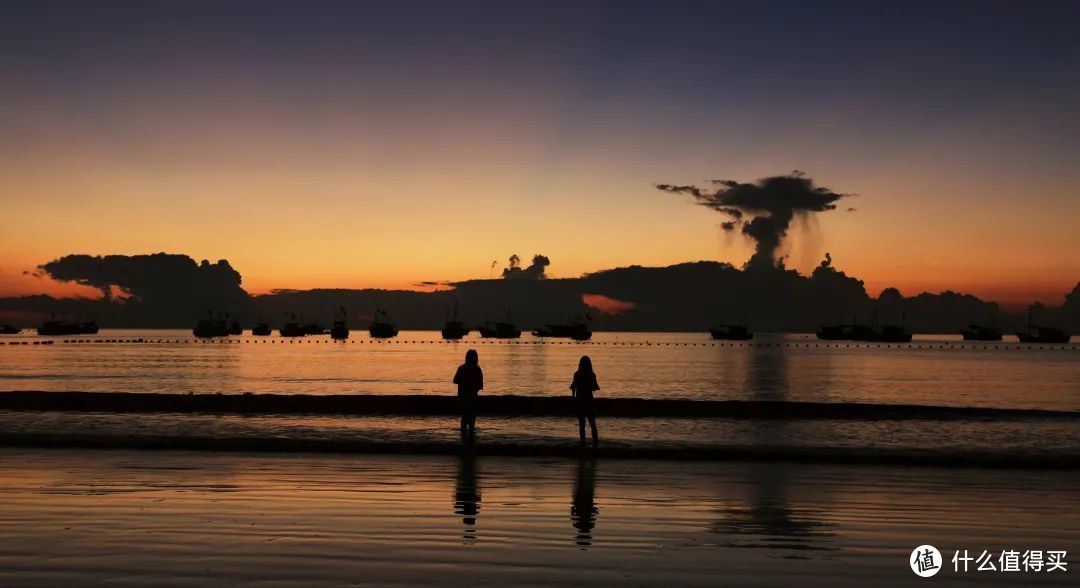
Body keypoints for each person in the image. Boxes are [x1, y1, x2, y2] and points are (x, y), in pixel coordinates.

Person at [453, 349, 483, 438]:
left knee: (464, 417)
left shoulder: (461, 368)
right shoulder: (477, 369)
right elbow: (479, 386)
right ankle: (470, 436)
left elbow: (456, 381)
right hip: (472, 397)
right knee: (471, 418)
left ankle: (463, 436)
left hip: (462, 396)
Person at [569, 355, 599, 445]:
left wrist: (573, 398)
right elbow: (594, 388)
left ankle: (583, 443)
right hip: (589, 401)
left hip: (580, 401)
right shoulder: (592, 375)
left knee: (582, 425)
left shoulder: (577, 374)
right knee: (592, 424)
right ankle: (596, 442)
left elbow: (573, 388)